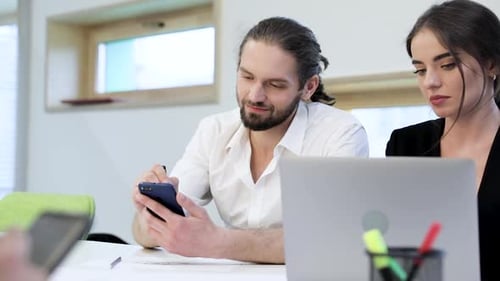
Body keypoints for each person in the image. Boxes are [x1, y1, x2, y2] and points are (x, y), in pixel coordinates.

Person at [132, 16, 369, 264]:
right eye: (247, 77)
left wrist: (218, 242)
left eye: (275, 85)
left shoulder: (340, 133)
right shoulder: (214, 130)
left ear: (308, 87)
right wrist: (149, 209)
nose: (255, 96)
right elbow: (145, 234)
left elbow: (333, 239)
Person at [385, 0, 500, 279]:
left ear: (492, 64)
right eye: (420, 70)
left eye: (447, 65)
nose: (430, 82)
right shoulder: (406, 144)